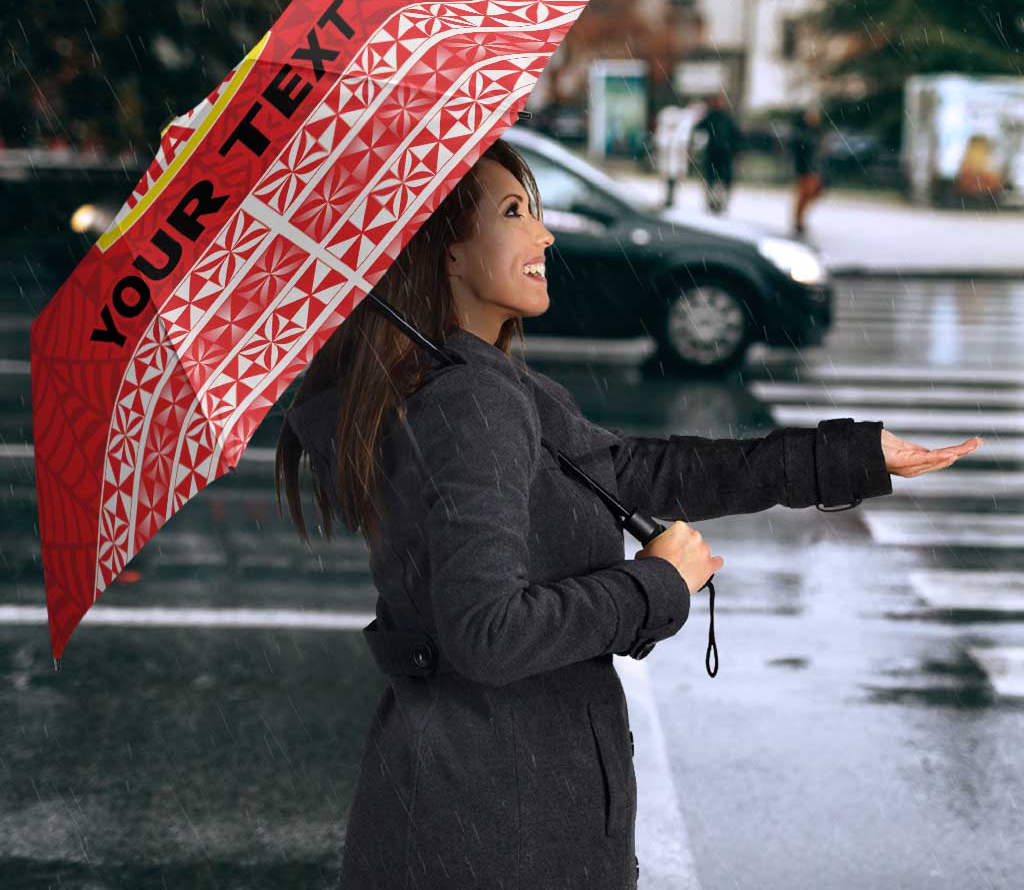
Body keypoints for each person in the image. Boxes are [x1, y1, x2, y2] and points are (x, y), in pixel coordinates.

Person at [276, 137, 975, 890]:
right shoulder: (469, 402)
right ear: (446, 252)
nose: (544, 234)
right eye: (514, 212)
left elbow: (638, 471)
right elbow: (487, 634)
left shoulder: (475, 383)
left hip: (480, 806)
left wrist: (850, 457)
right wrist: (656, 585)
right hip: (500, 829)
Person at [692, 92, 742, 215]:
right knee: (713, 180)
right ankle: (713, 203)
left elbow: (736, 136)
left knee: (720, 181)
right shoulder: (712, 117)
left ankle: (719, 203)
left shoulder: (725, 118)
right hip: (715, 154)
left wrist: (735, 150)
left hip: (723, 154)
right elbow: (698, 130)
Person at [790, 105, 826, 236]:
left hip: (814, 169)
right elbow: (799, 152)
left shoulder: (817, 132)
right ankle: (798, 221)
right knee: (804, 195)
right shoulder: (802, 133)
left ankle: (799, 220)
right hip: (805, 169)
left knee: (812, 194)